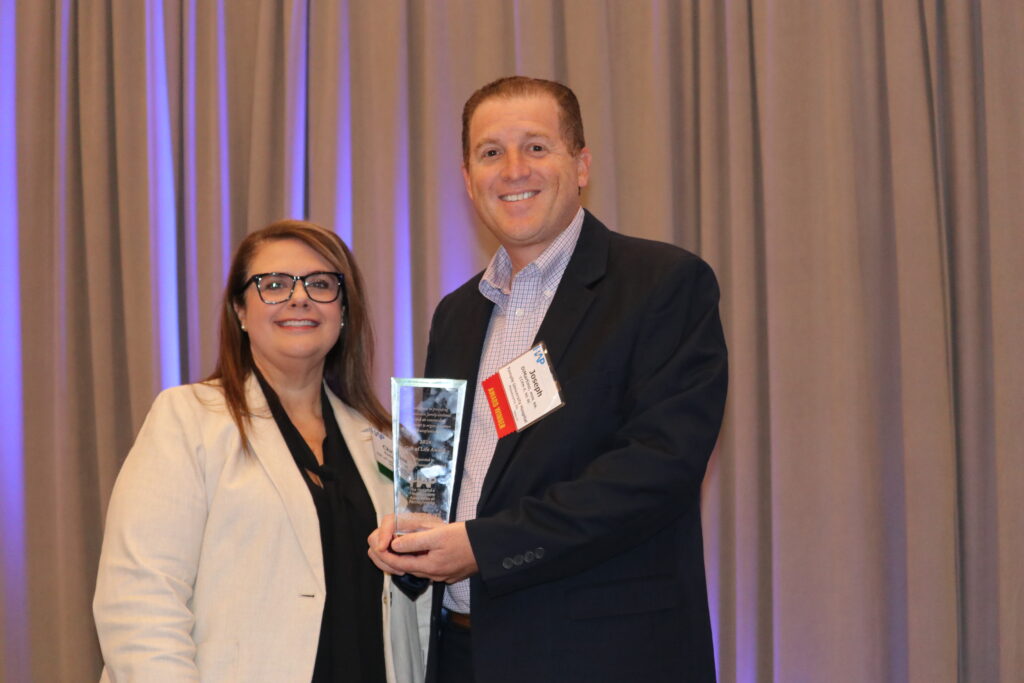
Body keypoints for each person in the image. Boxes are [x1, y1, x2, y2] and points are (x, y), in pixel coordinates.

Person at [368, 76, 728, 682]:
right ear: (467, 177)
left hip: (603, 655)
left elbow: (657, 468)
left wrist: (484, 546)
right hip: (462, 653)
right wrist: (407, 538)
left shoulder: (662, 283)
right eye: (490, 152)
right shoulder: (455, 313)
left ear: (581, 165)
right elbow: (428, 472)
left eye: (536, 147)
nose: (513, 170)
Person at [94, 220, 429, 682]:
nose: (299, 297)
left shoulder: (394, 443)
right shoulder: (188, 418)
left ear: (344, 310)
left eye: (321, 284)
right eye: (272, 284)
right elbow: (141, 599)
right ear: (240, 311)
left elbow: (419, 613)